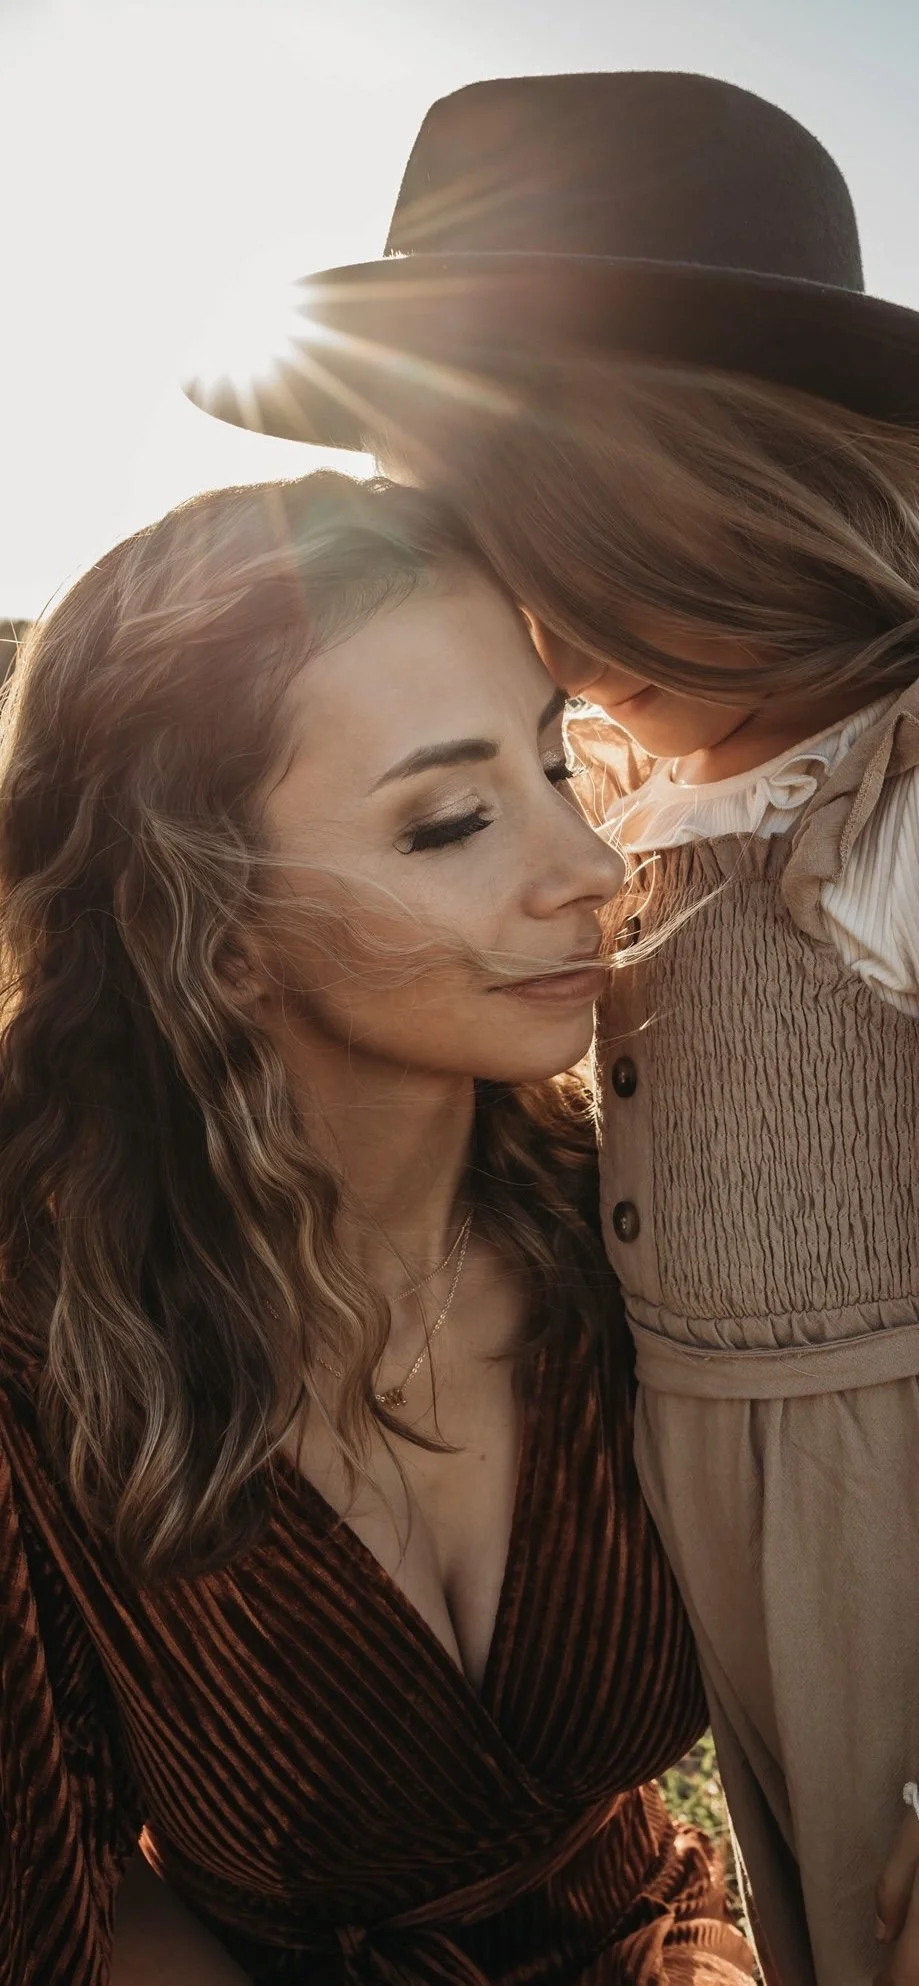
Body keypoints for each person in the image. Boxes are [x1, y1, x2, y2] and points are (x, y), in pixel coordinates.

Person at [185, 70, 919, 1986]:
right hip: (760, 1624)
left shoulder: (893, 795)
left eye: (562, 552)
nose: (541, 627)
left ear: (731, 487)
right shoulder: (641, 802)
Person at [0, 471, 753, 1986]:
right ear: (210, 930)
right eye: (451, 820)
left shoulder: (647, 1216)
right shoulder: (44, 1346)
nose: (590, 867)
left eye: (558, 763)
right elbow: (63, 1902)